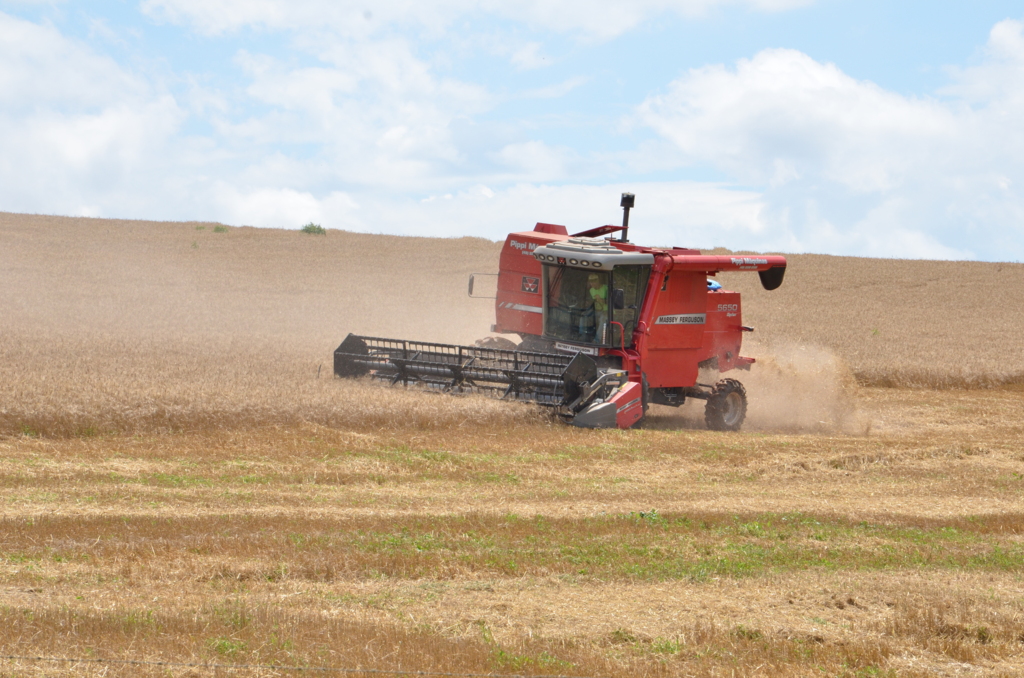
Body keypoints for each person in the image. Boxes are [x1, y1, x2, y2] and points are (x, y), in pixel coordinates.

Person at [586, 273, 608, 342]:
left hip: (606, 310)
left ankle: (597, 340)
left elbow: (610, 302)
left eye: (594, 281)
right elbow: (592, 302)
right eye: (591, 282)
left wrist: (600, 299)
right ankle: (582, 335)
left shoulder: (606, 288)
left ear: (599, 281)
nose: (592, 284)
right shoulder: (591, 290)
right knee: (583, 316)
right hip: (596, 310)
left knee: (603, 319)